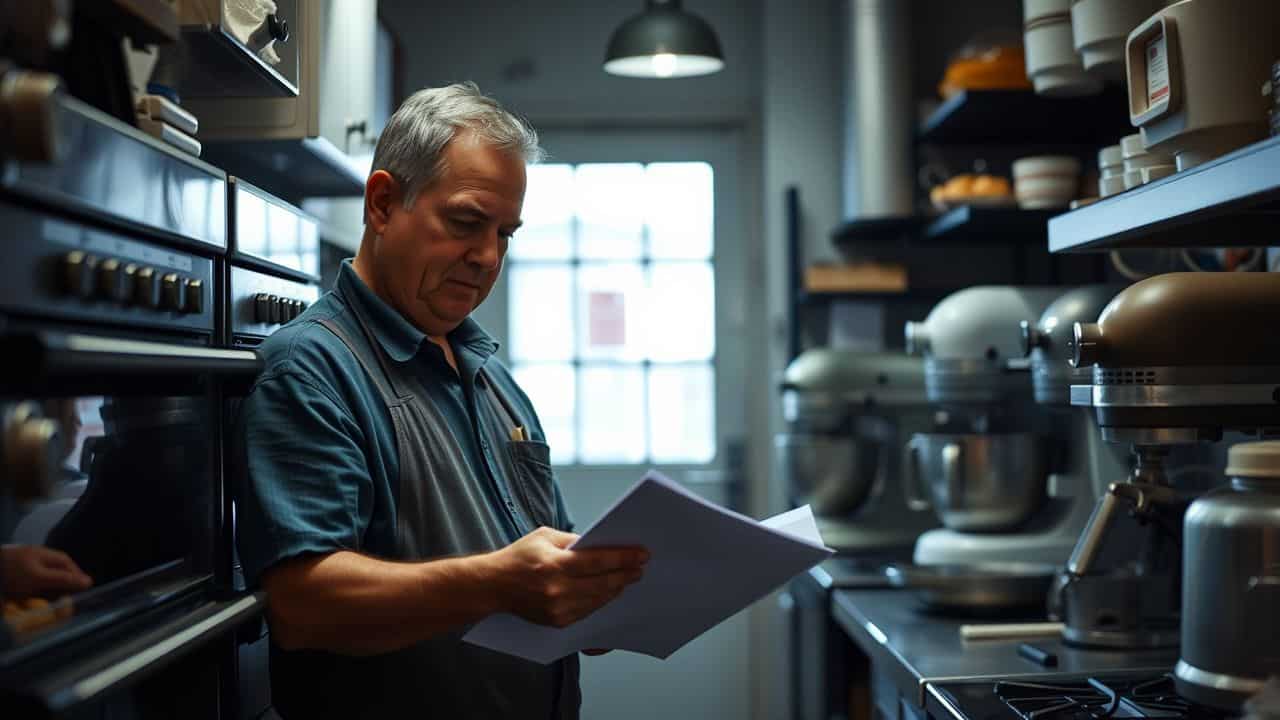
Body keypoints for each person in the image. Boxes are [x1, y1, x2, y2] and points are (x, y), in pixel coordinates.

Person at [234, 83, 648, 719]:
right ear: (382, 202)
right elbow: (303, 605)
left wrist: (584, 595)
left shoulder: (494, 381)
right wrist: (503, 583)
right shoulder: (311, 369)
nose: (487, 257)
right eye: (465, 223)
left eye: (505, 234)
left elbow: (540, 564)